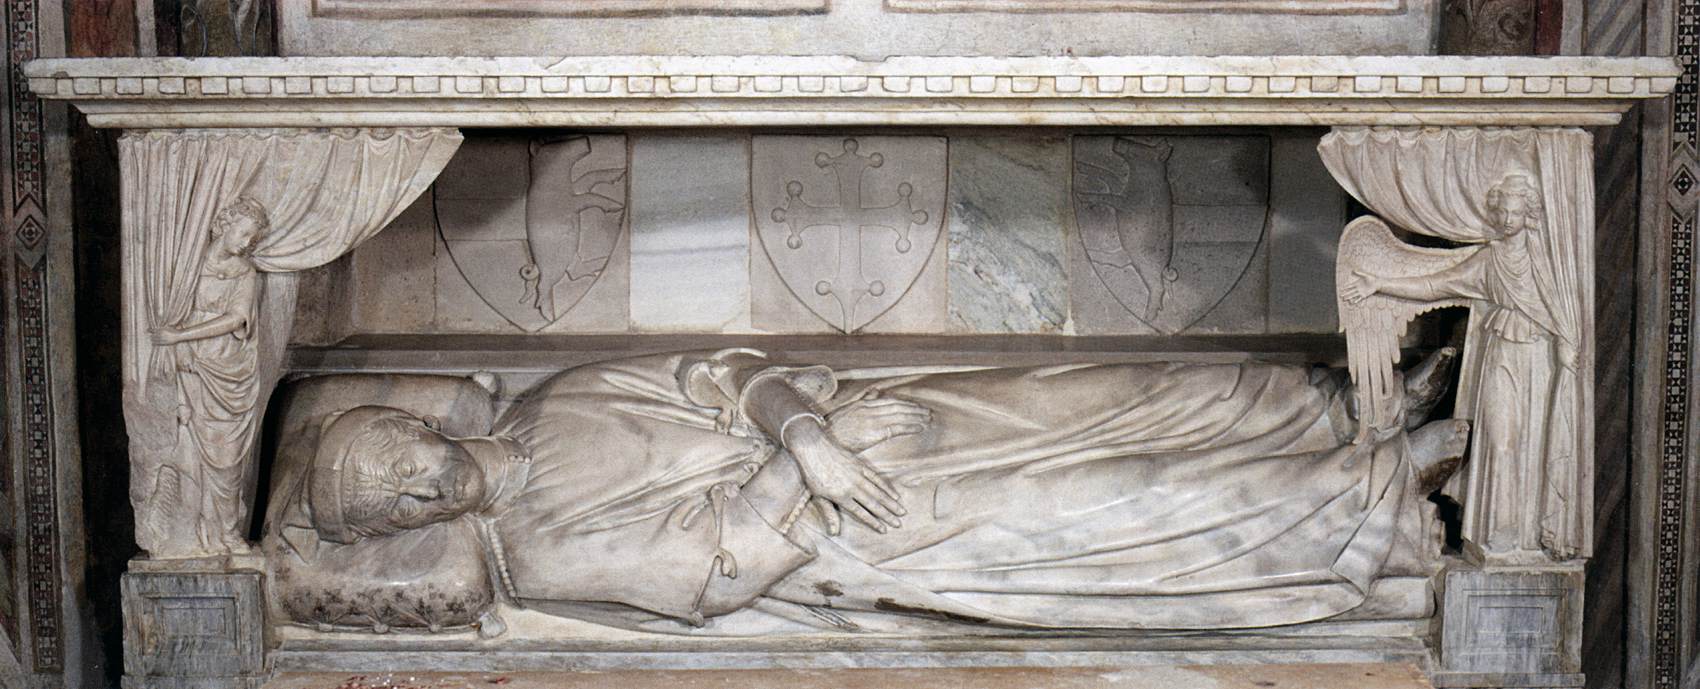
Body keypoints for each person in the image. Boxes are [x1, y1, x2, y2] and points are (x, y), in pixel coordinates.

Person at [302, 347, 1468, 634]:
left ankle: (1347, 404)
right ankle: (1375, 498)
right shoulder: (540, 552)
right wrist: (806, 469)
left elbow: (724, 371)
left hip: (859, 423)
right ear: (406, 527)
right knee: (1117, 494)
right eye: (384, 500)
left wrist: (807, 426)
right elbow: (713, 570)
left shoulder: (555, 398)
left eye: (387, 451)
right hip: (862, 527)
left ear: (414, 423)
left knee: (1115, 390)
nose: (407, 479)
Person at [1341, 174, 1573, 561]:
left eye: (1516, 213)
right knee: (1499, 439)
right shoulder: (1490, 259)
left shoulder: (1550, 263)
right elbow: (1438, 284)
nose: (1508, 220)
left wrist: (1567, 343)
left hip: (1538, 361)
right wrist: (1378, 283)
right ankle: (1498, 529)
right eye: (1503, 212)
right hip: (1502, 357)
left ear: (1529, 216)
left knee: (1531, 442)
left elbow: (1563, 310)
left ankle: (1522, 533)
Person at [150, 197, 267, 554]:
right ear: (223, 225)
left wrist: (180, 336)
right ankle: (188, 532)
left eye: (252, 237)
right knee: (189, 452)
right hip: (190, 368)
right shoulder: (189, 265)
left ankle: (227, 532)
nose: (246, 242)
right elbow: (175, 312)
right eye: (243, 233)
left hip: (228, 369)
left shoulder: (245, 272)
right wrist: (179, 347)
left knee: (228, 459)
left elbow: (236, 319)